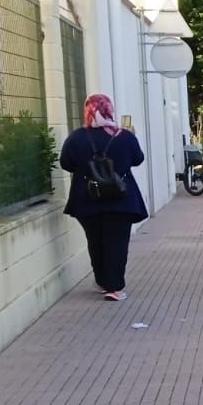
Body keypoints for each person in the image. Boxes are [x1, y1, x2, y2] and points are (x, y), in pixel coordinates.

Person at [58, 93, 148, 301]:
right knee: (117, 242)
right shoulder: (124, 136)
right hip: (120, 199)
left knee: (95, 240)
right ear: (109, 109)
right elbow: (138, 159)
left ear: (88, 111)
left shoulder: (77, 137)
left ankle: (101, 280)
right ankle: (114, 287)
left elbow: (66, 163)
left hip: (87, 198)